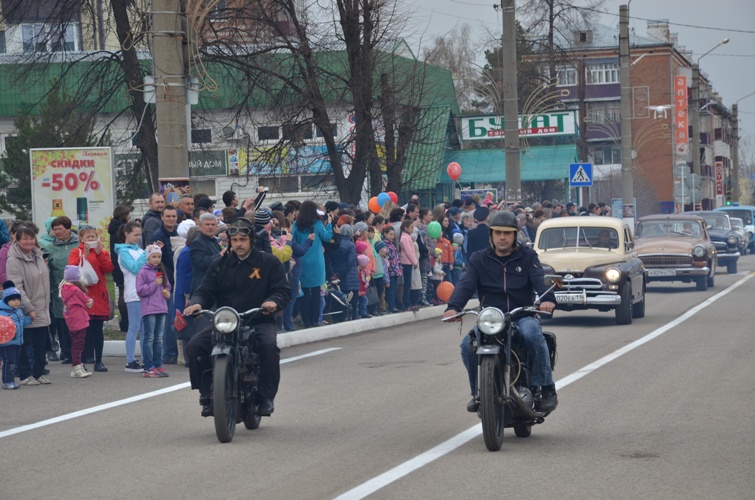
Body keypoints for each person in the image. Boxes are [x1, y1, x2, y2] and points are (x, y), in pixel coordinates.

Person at [442, 210, 558, 414]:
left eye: (507, 233)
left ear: (514, 235)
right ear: (491, 235)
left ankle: (547, 388)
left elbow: (539, 278)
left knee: (532, 335)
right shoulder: (479, 259)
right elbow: (466, 284)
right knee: (467, 346)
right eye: (498, 233)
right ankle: (477, 394)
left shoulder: (527, 256)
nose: (502, 237)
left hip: (521, 315)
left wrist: (548, 299)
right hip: (491, 319)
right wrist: (454, 307)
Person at [184, 217, 290, 417]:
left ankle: (266, 397)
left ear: (251, 240)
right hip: (226, 321)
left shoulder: (268, 262)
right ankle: (206, 394)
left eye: (243, 239)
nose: (238, 244)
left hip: (258, 319)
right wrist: (197, 303)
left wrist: (272, 301)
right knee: (195, 345)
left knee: (268, 347)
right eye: (235, 240)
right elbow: (205, 290)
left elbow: (282, 291)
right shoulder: (219, 264)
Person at [6, 227, 52, 385]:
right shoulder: (13, 260)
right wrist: (28, 308)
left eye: (31, 238)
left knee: (41, 344)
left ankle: (39, 372)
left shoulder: (38, 255)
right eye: (25, 239)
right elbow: (17, 288)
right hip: (26, 309)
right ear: (17, 240)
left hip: (42, 307)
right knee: (25, 344)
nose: (29, 241)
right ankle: (24, 375)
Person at [67, 224, 114, 372]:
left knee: (98, 331)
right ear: (81, 238)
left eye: (93, 236)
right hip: (83, 295)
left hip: (99, 296)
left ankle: (98, 361)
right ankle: (82, 361)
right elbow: (72, 269)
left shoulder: (103, 252)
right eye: (88, 237)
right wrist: (85, 256)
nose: (91, 239)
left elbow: (108, 269)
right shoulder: (76, 251)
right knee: (83, 331)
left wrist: (99, 254)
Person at [42, 216, 80, 364]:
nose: (57, 232)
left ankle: (80, 352)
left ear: (68, 228)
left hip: (79, 289)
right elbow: (47, 272)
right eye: (55, 229)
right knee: (62, 321)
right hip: (60, 291)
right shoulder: (49, 248)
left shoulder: (79, 243)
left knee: (78, 321)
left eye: (60, 229)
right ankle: (66, 352)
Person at [115, 221, 147, 372]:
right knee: (134, 328)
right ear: (126, 234)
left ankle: (146, 359)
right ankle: (130, 361)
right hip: (133, 294)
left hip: (145, 293)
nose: (138, 238)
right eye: (135, 235)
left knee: (145, 329)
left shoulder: (139, 250)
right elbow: (135, 268)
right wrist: (147, 254)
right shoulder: (123, 252)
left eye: (140, 235)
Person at [136, 245, 171, 378]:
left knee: (159, 338)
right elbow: (140, 290)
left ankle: (158, 365)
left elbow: (167, 286)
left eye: (159, 257)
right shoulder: (143, 272)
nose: (157, 259)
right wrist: (154, 284)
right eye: (154, 256)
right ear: (148, 257)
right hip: (150, 309)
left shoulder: (161, 270)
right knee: (149, 338)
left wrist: (167, 293)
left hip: (161, 308)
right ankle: (148, 367)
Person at [59, 266, 94, 378]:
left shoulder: (64, 289)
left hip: (70, 319)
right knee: (79, 344)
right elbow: (87, 301)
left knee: (75, 342)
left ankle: (78, 366)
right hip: (80, 319)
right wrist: (91, 301)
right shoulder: (76, 290)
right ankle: (77, 367)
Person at [0, 281, 32, 389]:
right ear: (7, 300)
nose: (16, 302)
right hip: (7, 343)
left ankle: (11, 380)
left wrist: (29, 319)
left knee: (13, 362)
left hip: (18, 341)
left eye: (18, 300)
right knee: (9, 362)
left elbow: (22, 323)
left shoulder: (18, 311)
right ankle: (7, 381)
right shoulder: (2, 312)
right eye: (13, 300)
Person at [108, 205, 131, 333]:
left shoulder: (113, 228)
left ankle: (125, 321)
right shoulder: (121, 229)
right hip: (122, 264)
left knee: (122, 291)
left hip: (116, 264)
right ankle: (126, 322)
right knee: (124, 292)